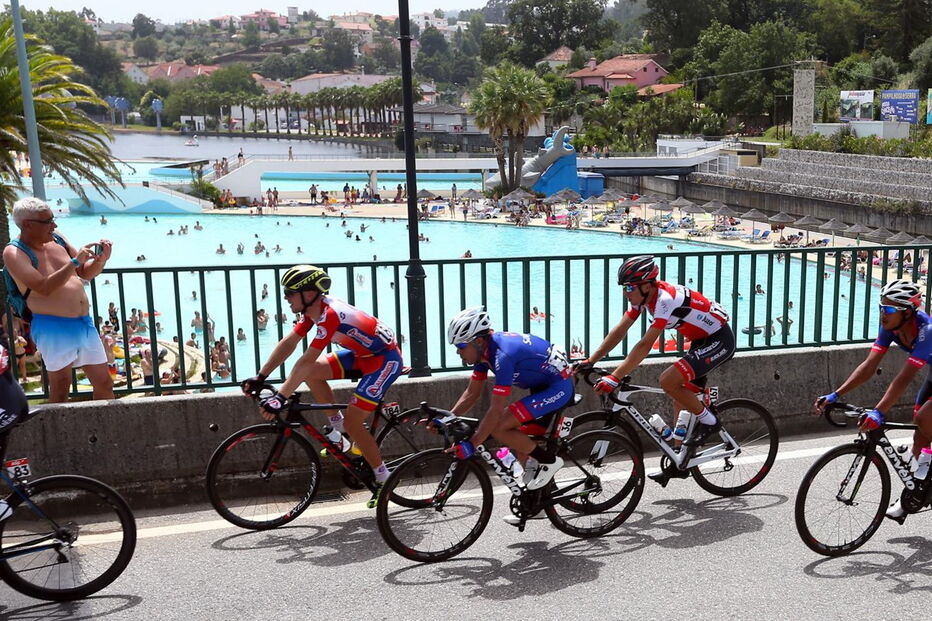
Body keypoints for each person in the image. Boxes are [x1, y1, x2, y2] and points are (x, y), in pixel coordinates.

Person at [241, 265, 403, 508]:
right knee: (313, 374)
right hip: (362, 355)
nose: (285, 298)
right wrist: (261, 376)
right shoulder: (315, 311)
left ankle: (383, 478)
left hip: (384, 361)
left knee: (353, 420)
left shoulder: (330, 315)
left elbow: (304, 361)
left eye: (290, 293)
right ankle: (341, 434)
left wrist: (280, 398)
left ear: (309, 294)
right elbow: (290, 343)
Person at [582, 255, 735, 469]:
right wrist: (590, 360)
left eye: (628, 288)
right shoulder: (645, 298)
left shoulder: (664, 300)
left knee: (668, 381)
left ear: (646, 285)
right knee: (678, 396)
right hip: (700, 341)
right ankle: (680, 459)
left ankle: (710, 423)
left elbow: (644, 345)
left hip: (719, 339)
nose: (625, 293)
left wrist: (615, 377)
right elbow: (620, 330)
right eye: (624, 288)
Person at [815, 280, 932, 523]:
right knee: (919, 431)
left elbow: (904, 379)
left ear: (907, 311)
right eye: (881, 307)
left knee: (924, 418)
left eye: (888, 309)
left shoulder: (927, 330)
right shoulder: (890, 326)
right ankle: (914, 494)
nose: (882, 314)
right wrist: (836, 394)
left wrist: (878, 412)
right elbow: (869, 366)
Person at [443, 307, 570, 524]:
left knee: (500, 427)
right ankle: (536, 504)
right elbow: (472, 393)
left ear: (478, 341)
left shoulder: (502, 355)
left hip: (557, 387)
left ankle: (549, 462)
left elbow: (495, 410)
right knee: (520, 441)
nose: (458, 352)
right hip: (541, 386)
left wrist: (472, 444)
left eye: (461, 346)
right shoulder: (484, 353)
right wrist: (448, 418)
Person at [3, 197, 114, 402]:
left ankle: (105, 432)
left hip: (84, 323)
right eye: (48, 221)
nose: (54, 225)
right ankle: (59, 434)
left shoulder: (58, 239)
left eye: (53, 219)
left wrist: (100, 261)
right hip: (52, 325)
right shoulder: (14, 252)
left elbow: (85, 273)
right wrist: (74, 261)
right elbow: (43, 287)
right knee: (61, 389)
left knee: (105, 383)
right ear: (27, 224)